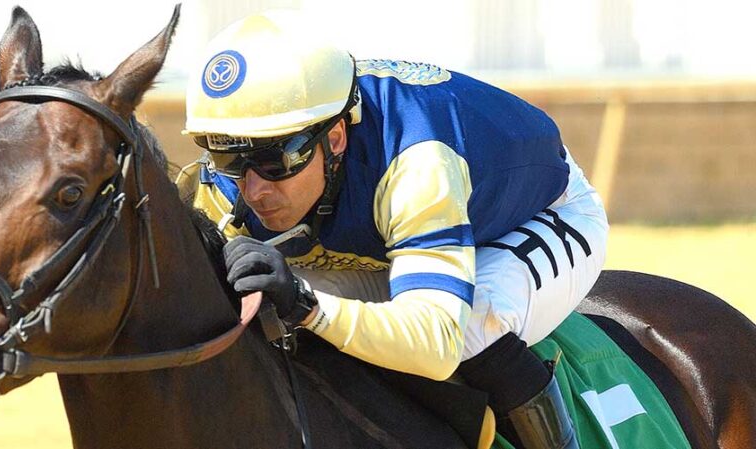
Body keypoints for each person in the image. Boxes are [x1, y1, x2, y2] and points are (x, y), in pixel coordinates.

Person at [179, 11, 607, 449]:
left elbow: (437, 343)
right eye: (229, 159)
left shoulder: (418, 162)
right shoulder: (225, 184)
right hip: (391, 233)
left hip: (542, 212)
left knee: (474, 325)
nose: (253, 189)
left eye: (275, 162)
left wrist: (306, 303)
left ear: (336, 137)